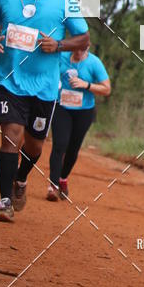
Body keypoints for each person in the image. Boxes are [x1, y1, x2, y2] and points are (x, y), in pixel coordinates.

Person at [0, 0, 89, 222]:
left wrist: (58, 45)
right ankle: (4, 203)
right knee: (11, 136)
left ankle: (21, 177)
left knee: (34, 147)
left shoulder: (64, 1)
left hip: (44, 88)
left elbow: (83, 38)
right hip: (10, 81)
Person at [47, 36, 111, 201]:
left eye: (83, 48)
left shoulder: (94, 63)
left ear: (88, 47)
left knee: (73, 149)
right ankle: (53, 186)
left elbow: (106, 89)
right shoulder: (61, 57)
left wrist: (86, 85)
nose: (79, 51)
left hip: (84, 111)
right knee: (59, 144)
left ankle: (63, 178)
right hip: (62, 107)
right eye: (77, 47)